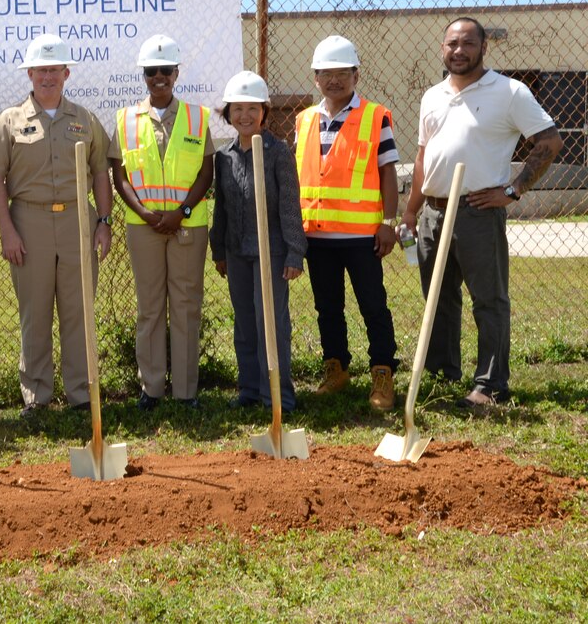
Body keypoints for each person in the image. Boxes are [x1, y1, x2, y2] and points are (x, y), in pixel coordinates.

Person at [402, 17, 562, 408]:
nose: (459, 50)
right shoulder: (432, 96)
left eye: (467, 43)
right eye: (452, 43)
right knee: (437, 297)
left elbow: (550, 141)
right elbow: (424, 157)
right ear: (443, 48)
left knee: (488, 300)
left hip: (477, 211)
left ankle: (490, 386)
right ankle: (443, 374)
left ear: (483, 47)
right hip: (433, 214)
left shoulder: (509, 92)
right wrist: (410, 213)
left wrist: (513, 189)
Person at [0, 33, 113, 417]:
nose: (47, 77)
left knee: (78, 310)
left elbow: (101, 171)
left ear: (66, 72)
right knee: (34, 313)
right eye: (40, 70)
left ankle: (82, 394)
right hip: (28, 220)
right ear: (29, 74)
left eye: (54, 69)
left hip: (76, 221)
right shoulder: (8, 121)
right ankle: (36, 396)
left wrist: (103, 221)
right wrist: (8, 231)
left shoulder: (84, 119)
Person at [294, 35, 400, 411]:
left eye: (342, 73)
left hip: (361, 236)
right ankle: (335, 367)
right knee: (327, 307)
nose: (334, 80)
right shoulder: (304, 120)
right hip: (317, 234)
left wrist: (389, 221)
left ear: (357, 74)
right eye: (327, 73)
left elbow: (388, 172)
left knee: (373, 305)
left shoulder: (375, 117)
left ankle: (383, 372)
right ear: (316, 78)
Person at [109, 35, 213, 410]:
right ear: (144, 76)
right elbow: (119, 176)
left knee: (185, 305)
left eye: (164, 70)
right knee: (150, 307)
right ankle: (151, 389)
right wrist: (146, 213)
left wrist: (181, 212)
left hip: (187, 226)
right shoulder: (125, 119)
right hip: (145, 227)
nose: (158, 77)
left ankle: (186, 392)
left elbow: (206, 171)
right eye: (151, 71)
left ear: (176, 73)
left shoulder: (197, 117)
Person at [210, 71, 307, 412]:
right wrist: (218, 249)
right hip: (237, 251)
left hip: (272, 251)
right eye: (237, 109)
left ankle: (278, 396)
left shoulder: (278, 152)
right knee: (245, 323)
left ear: (264, 112)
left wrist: (295, 252)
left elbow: (290, 205)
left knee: (272, 325)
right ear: (228, 113)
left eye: (252, 109)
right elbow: (220, 208)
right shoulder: (223, 157)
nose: (244, 116)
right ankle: (249, 390)